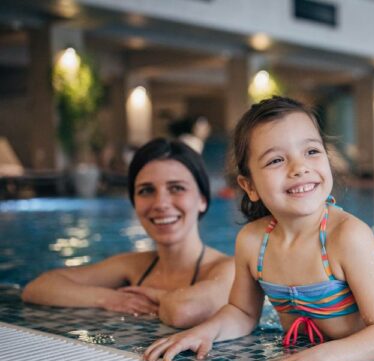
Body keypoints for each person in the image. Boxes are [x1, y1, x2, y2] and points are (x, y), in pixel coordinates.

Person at [144, 96, 374, 361]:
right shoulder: (254, 242)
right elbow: (243, 314)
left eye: (311, 151)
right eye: (276, 160)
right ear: (250, 186)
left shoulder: (346, 237)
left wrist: (321, 356)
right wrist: (203, 332)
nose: (299, 167)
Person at [22, 139, 235, 329]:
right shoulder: (132, 267)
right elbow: (38, 287)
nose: (160, 204)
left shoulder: (227, 268)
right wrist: (109, 298)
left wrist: (157, 296)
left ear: (202, 200)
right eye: (146, 190)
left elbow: (183, 312)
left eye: (177, 188)